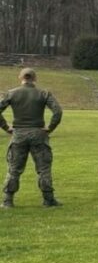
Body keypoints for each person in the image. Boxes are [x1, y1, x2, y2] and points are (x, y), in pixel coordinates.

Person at [1, 68, 63, 208]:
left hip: (19, 134)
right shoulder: (44, 93)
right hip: (38, 134)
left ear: (20, 77)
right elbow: (57, 111)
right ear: (35, 78)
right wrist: (50, 128)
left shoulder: (12, 93)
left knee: (14, 169)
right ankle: (48, 200)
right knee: (43, 168)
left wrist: (6, 127)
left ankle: (8, 200)